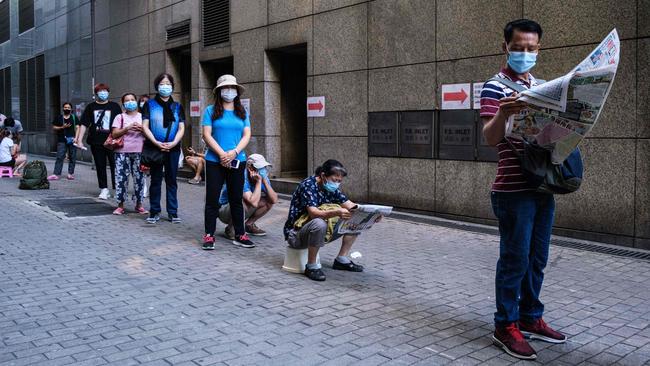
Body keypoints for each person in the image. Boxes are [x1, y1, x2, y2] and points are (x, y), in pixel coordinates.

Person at [480, 19, 566, 361]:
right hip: (513, 191)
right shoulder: (494, 87)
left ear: (539, 49)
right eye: (518, 48)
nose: (525, 54)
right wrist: (503, 112)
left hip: (543, 186)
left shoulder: (544, 86)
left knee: (537, 259)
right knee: (514, 260)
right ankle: (505, 325)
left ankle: (531, 317)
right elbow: (489, 138)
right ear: (505, 48)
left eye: (531, 49)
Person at [284, 160, 375, 282]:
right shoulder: (308, 185)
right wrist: (337, 212)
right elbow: (314, 213)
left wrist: (372, 214)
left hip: (319, 232)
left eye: (339, 181)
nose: (336, 184)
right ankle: (311, 266)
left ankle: (341, 260)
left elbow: (351, 206)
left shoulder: (331, 189)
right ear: (323, 176)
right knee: (319, 222)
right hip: (296, 234)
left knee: (356, 219)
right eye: (334, 180)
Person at [201, 74, 255, 250]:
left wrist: (234, 152)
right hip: (214, 160)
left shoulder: (242, 112)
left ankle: (240, 234)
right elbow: (206, 134)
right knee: (212, 199)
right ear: (219, 91)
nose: (229, 91)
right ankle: (209, 235)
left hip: (237, 159)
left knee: (236, 199)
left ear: (237, 91)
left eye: (232, 88)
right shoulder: (210, 110)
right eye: (225, 88)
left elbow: (247, 134)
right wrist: (222, 154)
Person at [141, 73, 185, 224]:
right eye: (162, 84)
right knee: (156, 180)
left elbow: (181, 128)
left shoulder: (177, 106)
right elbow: (145, 126)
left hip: (173, 148)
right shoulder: (150, 105)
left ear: (172, 86)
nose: (165, 86)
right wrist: (155, 142)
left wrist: (173, 143)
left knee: (172, 180)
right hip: (155, 147)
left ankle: (173, 212)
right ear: (157, 86)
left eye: (168, 84)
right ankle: (154, 211)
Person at [76, 83, 123, 199]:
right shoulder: (91, 107)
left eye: (105, 91)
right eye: (100, 91)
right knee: (100, 165)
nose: (103, 93)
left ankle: (117, 189)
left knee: (116, 166)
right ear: (96, 93)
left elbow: (121, 123)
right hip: (96, 141)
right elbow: (84, 124)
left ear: (108, 92)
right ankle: (104, 189)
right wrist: (79, 140)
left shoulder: (115, 106)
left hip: (113, 141)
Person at [218, 153, 278, 239]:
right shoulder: (241, 176)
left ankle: (249, 225)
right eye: (260, 168)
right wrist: (258, 182)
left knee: (268, 202)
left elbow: (274, 200)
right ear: (250, 168)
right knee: (243, 202)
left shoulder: (262, 177)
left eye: (264, 168)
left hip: (242, 207)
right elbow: (253, 202)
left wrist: (264, 181)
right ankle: (230, 228)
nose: (263, 170)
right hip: (224, 210)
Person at [111, 93, 147, 216]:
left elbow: (149, 134)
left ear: (136, 102)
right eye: (127, 100)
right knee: (121, 179)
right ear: (123, 104)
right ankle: (120, 205)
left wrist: (142, 129)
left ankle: (139, 205)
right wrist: (127, 128)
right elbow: (114, 134)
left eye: (132, 100)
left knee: (140, 179)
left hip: (139, 152)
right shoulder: (119, 117)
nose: (130, 102)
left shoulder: (143, 117)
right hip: (122, 152)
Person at [48, 102, 79, 181]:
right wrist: (62, 127)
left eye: (68, 107)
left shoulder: (74, 117)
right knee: (60, 157)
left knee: (72, 157)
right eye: (65, 107)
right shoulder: (59, 117)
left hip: (72, 140)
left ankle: (70, 174)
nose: (67, 109)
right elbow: (54, 127)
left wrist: (76, 138)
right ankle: (56, 174)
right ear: (63, 108)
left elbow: (78, 128)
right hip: (62, 139)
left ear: (71, 109)